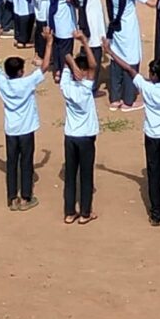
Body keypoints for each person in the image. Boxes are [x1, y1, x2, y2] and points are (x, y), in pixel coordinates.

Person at [0, 51, 45, 210]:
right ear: (20, 72)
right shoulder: (27, 83)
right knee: (26, 162)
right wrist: (50, 43)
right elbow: (44, 67)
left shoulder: (2, 82)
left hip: (11, 130)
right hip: (26, 129)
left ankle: (12, 198)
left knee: (11, 163)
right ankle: (26, 197)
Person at [57, 46, 100, 223]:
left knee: (70, 175)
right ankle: (85, 213)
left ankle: (69, 212)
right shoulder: (85, 88)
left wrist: (71, 63)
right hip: (86, 137)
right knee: (86, 175)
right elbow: (94, 65)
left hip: (70, 136)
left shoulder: (66, 87)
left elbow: (66, 58)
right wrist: (83, 41)